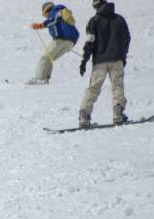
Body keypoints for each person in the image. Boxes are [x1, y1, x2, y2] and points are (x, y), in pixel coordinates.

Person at [78, 0, 130, 128]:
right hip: (117, 59)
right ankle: (118, 112)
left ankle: (84, 115)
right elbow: (127, 39)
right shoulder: (119, 19)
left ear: (96, 6)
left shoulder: (94, 21)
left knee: (93, 88)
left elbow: (90, 42)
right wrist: (123, 56)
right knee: (117, 86)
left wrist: (84, 60)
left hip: (100, 61)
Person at [28, 2, 79, 84]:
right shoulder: (61, 12)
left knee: (44, 58)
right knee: (50, 59)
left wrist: (40, 25)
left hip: (61, 39)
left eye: (45, 15)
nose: (46, 17)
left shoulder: (54, 11)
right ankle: (45, 78)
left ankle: (40, 78)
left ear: (46, 11)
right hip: (71, 42)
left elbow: (52, 20)